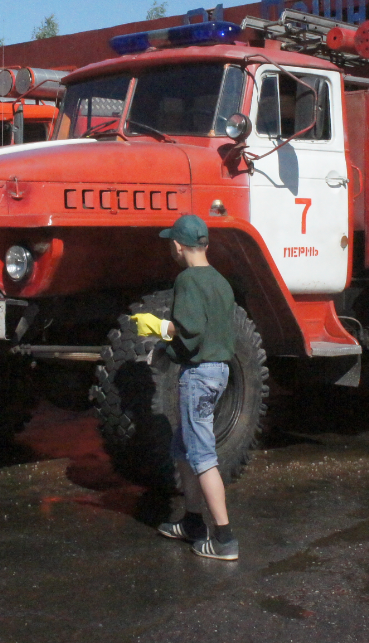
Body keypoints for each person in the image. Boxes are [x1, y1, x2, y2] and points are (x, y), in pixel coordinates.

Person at [132, 214, 239, 561]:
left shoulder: (188, 281)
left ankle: (224, 538)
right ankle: (192, 522)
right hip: (219, 370)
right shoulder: (221, 281)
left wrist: (160, 330)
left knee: (202, 456)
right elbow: (212, 329)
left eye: (171, 244)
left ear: (178, 246)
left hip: (199, 374)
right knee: (183, 448)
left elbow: (189, 331)